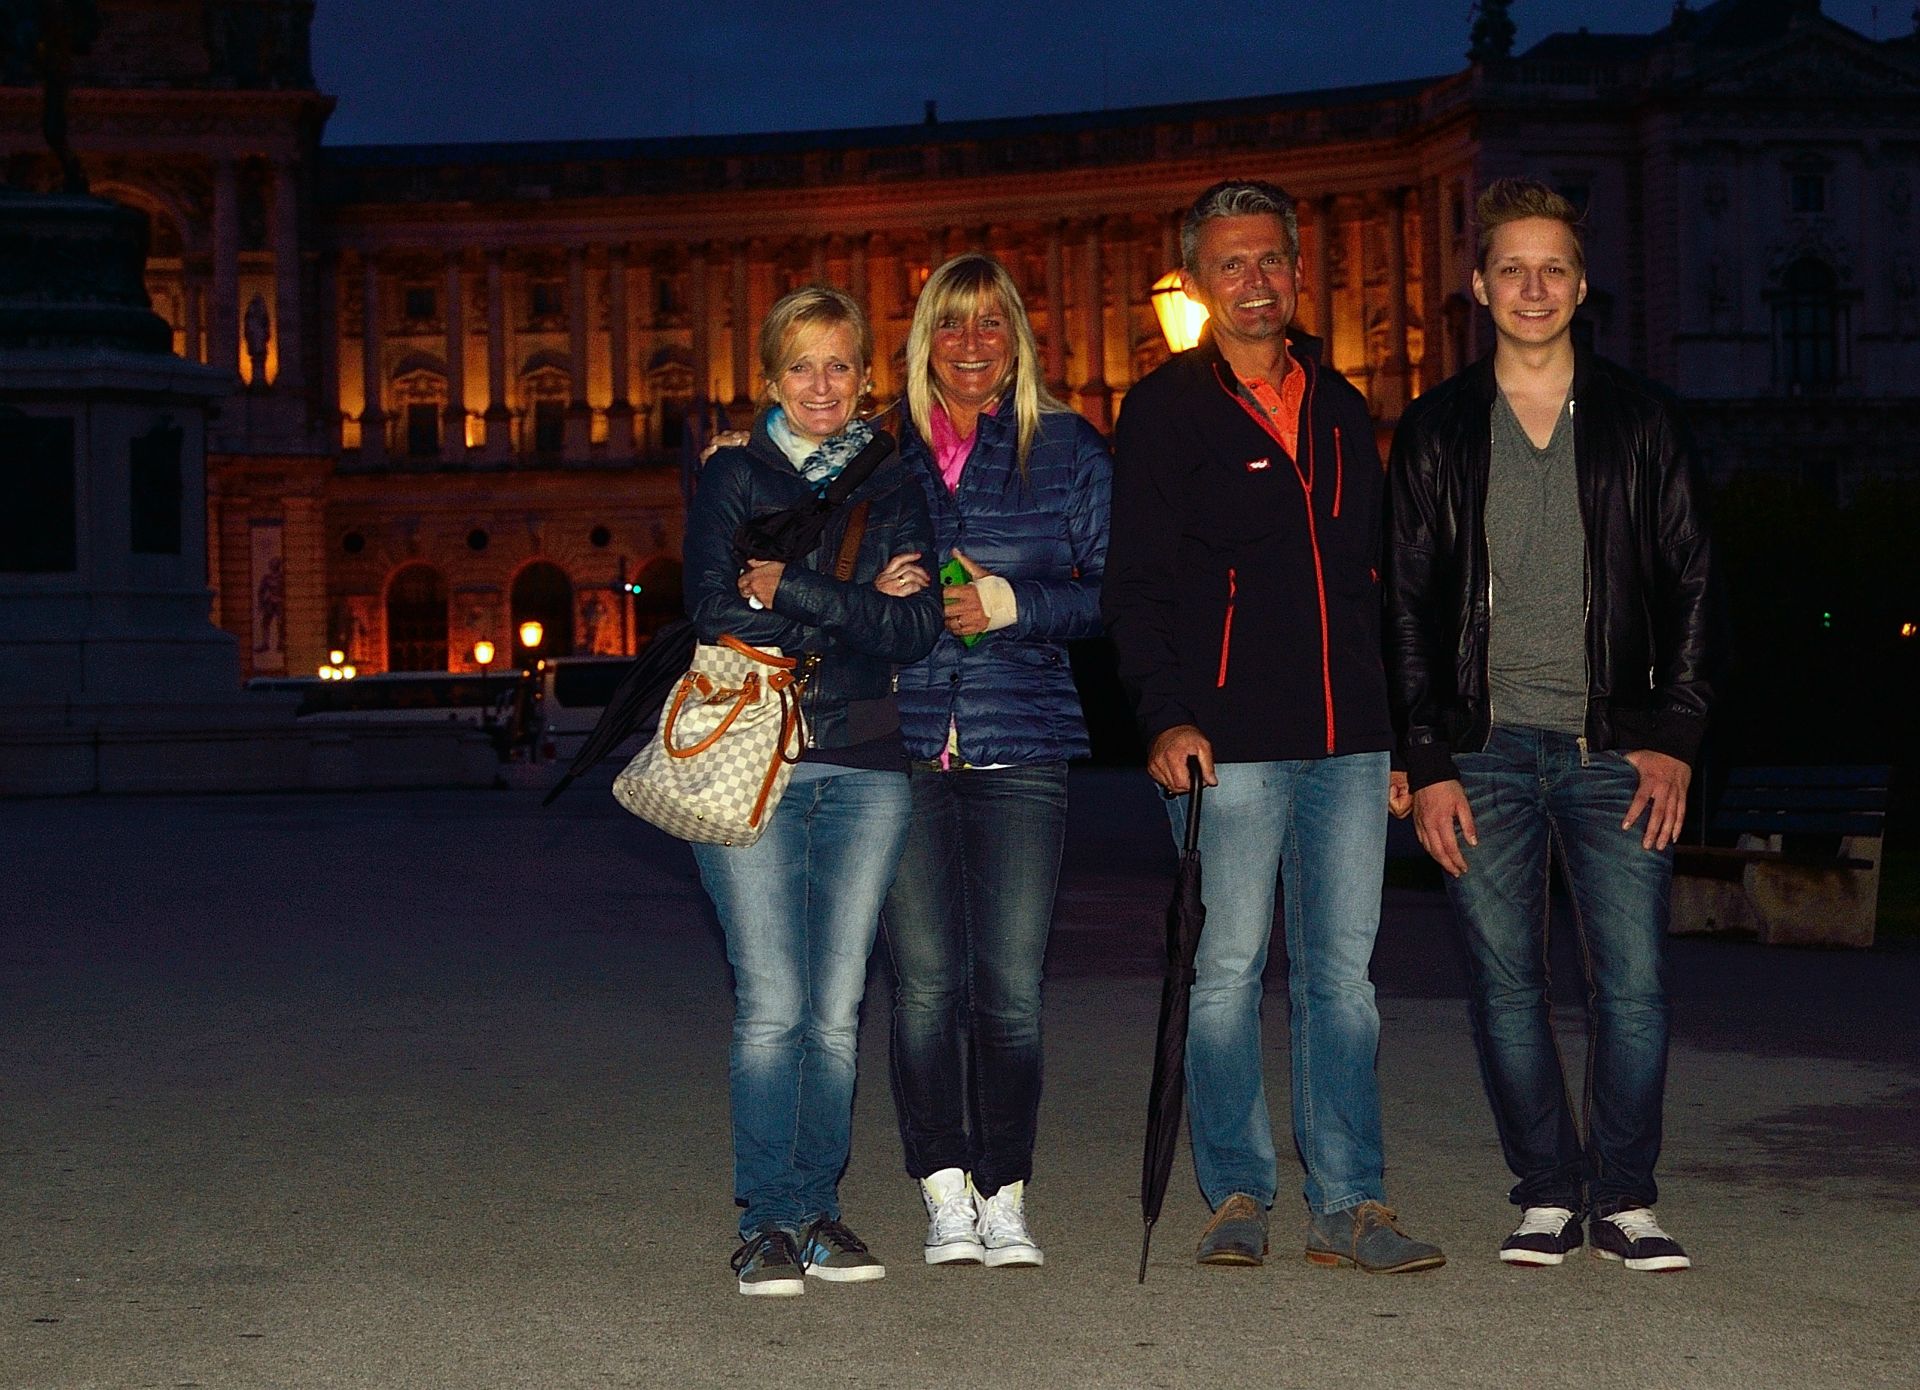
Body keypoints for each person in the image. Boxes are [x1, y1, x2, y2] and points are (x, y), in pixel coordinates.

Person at [1103, 179, 1444, 1274]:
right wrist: (1163, 715)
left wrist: (1402, 738)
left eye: (1273, 261)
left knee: (1345, 979)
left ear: (1301, 273)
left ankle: (1351, 1202)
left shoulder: (1343, 406)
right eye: (1233, 265)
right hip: (1227, 743)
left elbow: (1380, 587)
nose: (1257, 283)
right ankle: (1237, 1188)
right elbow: (1137, 586)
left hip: (1350, 742)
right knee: (1227, 971)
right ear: (1197, 283)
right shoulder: (1164, 410)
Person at [1383, 179, 1715, 1272]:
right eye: (1513, 268)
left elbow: (1694, 585)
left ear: (1583, 286)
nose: (1534, 288)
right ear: (1480, 286)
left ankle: (1623, 1194)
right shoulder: (1436, 427)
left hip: (1614, 747)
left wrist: (1674, 730)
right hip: (1480, 751)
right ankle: (1543, 1189)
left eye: (1555, 268)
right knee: (1505, 983)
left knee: (1633, 983)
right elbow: (1408, 608)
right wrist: (1425, 759)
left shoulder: (1643, 417)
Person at [683, 284, 943, 1296]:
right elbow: (711, 613)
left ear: (869, 376)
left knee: (835, 1009)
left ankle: (817, 1208)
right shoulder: (732, 477)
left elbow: (917, 633)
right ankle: (764, 1219)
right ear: (771, 378)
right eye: (801, 366)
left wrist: (783, 587)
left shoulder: (900, 481)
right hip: (755, 758)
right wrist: (856, 605)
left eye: (839, 365)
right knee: (772, 1004)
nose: (822, 385)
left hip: (868, 765)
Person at [870, 253, 1111, 1268]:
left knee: (1009, 986)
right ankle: (941, 1190)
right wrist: (868, 594)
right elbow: (818, 583)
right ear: (926, 338)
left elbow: (1120, 593)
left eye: (991, 324)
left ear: (1019, 338)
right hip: (906, 745)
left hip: (1024, 739)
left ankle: (1004, 1187)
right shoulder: (876, 456)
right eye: (952, 325)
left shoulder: (1070, 450)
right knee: (924, 984)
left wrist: (1014, 604)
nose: (972, 344)